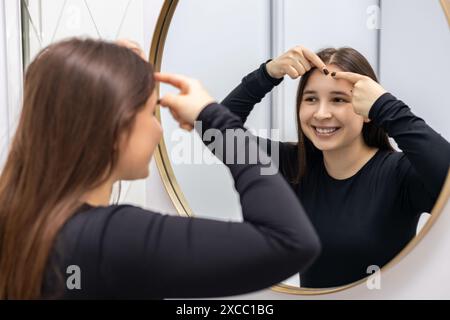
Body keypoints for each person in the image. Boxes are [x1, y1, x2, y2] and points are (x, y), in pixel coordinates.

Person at [0, 38, 321, 299]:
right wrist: (215, 119)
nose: (158, 130)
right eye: (152, 111)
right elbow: (290, 241)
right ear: (115, 128)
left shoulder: (22, 218)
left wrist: (97, 79)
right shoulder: (109, 239)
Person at [221, 46, 450, 288]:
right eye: (310, 99)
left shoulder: (400, 174)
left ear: (366, 110)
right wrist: (267, 74)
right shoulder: (293, 165)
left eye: (338, 100)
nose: (321, 114)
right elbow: (215, 132)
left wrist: (386, 106)